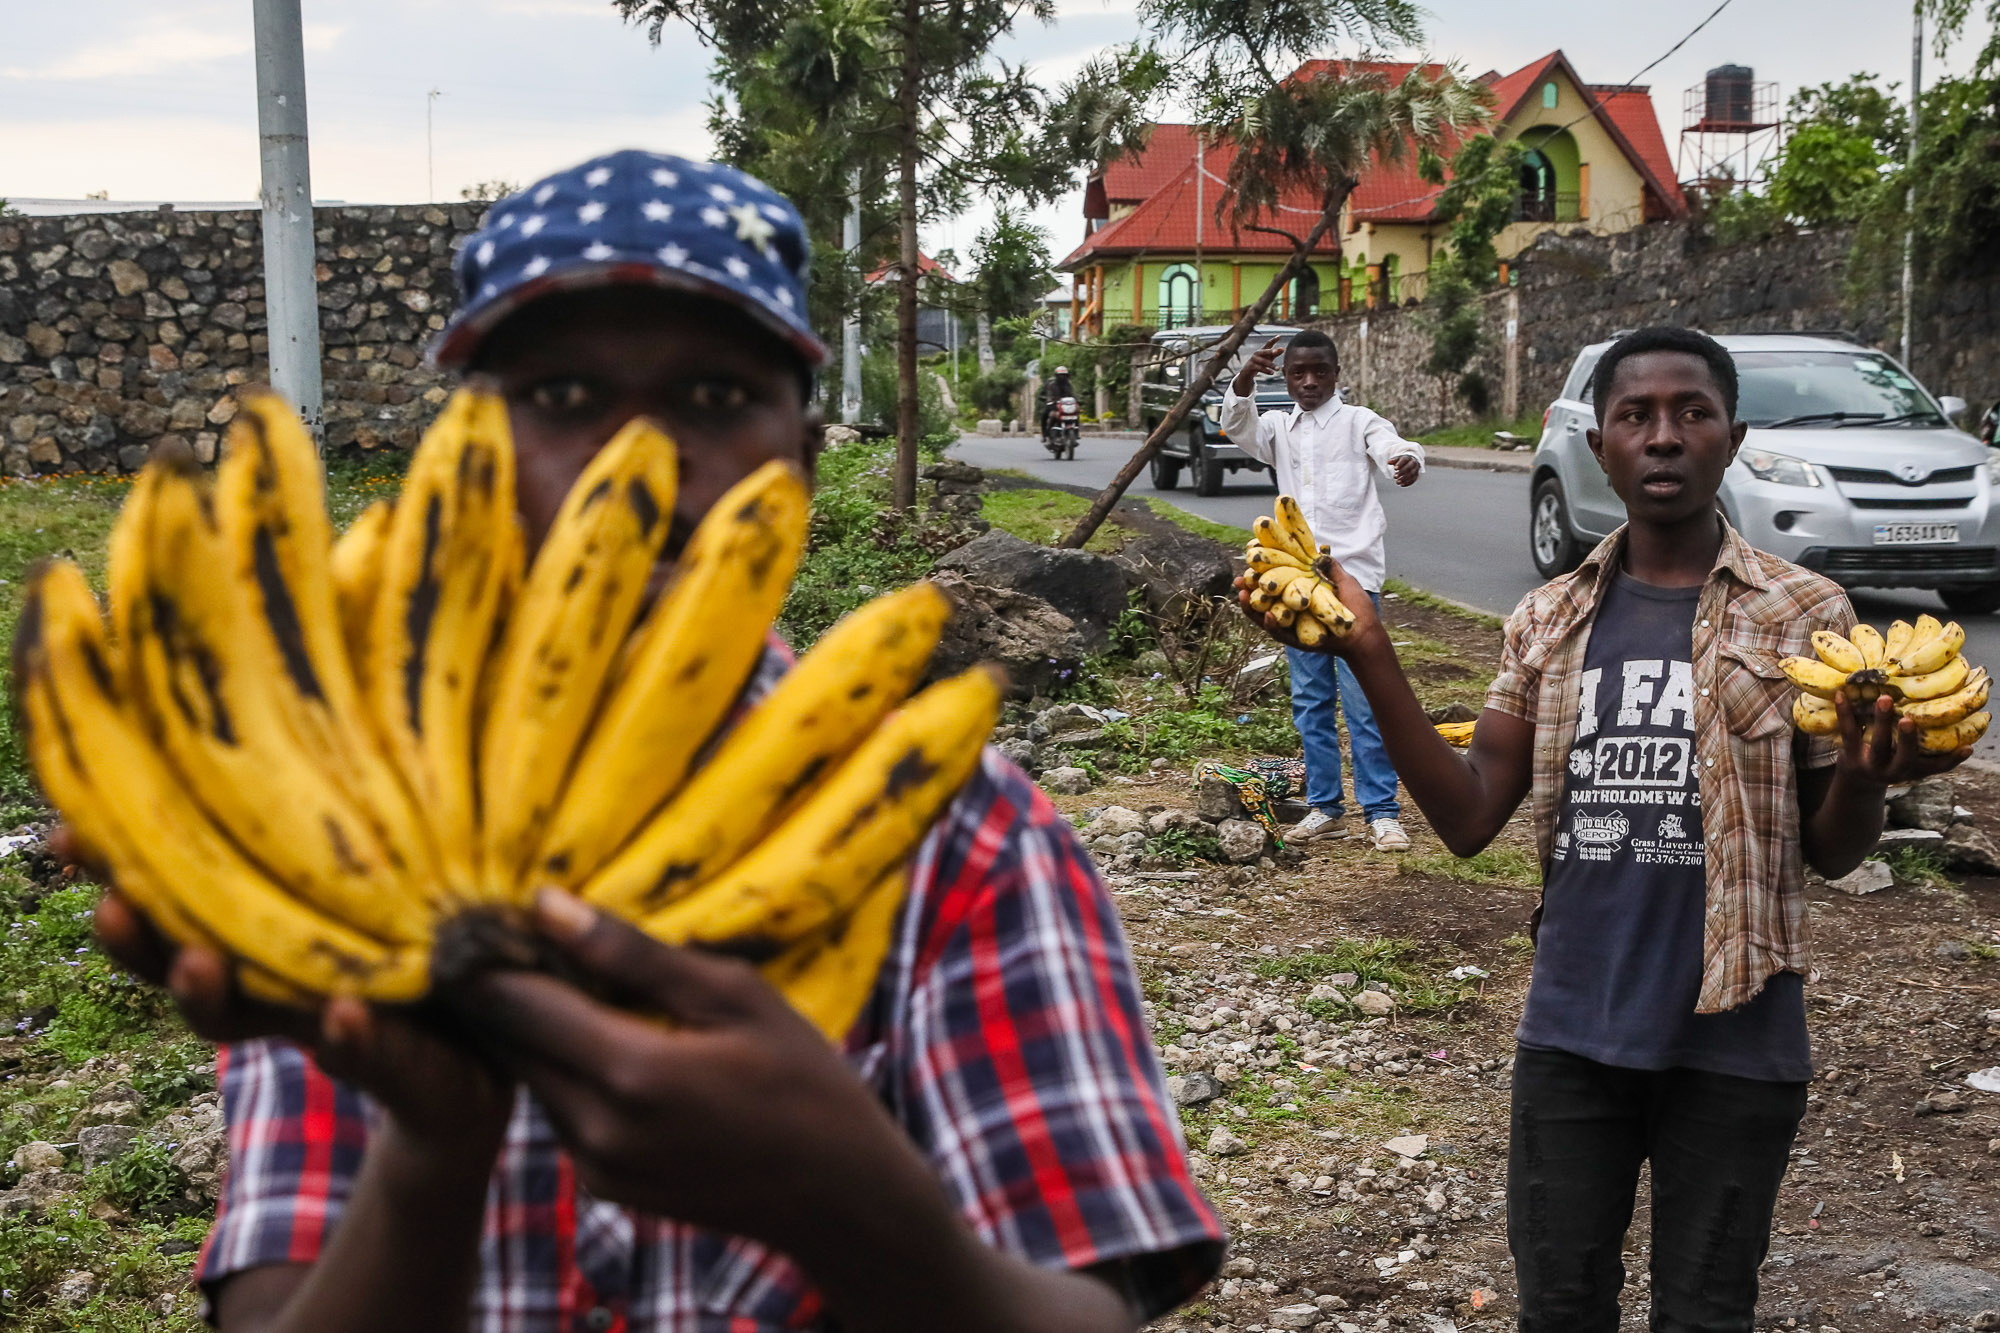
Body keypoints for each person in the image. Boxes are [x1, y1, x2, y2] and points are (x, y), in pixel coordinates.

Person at [82, 150, 1223, 1333]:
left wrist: (849, 1201)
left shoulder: (955, 834)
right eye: (563, 397)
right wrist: (433, 1147)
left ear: (802, 451)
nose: (636, 460)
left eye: (714, 397)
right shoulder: (340, 822)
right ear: (463, 454)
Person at [1238, 325, 1970, 1328]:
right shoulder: (1545, 619)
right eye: (1635, 416)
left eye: (1690, 413)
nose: (1662, 436)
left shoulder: (1807, 612)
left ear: (1731, 436)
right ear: (1599, 445)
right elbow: (1462, 818)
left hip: (1737, 1038)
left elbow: (1833, 850)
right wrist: (1368, 650)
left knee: (1704, 1311)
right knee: (1561, 1304)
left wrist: (1862, 774)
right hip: (1573, 1035)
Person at [1220, 330, 1423, 851]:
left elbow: (1391, 446)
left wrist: (1407, 460)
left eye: (1319, 372)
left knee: (1364, 699)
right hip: (1296, 580)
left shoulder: (1359, 422)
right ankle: (1325, 807)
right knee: (1311, 697)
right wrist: (1244, 376)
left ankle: (1381, 811)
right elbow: (1235, 424)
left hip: (1353, 579)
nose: (1309, 382)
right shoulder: (1277, 428)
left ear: (1337, 374)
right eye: (1297, 373)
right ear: (1284, 377)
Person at [1043, 364, 1076, 439]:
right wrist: (1050, 401)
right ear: (1057, 376)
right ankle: (1046, 433)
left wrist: (1077, 401)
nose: (1062, 377)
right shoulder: (1052, 384)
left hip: (1066, 406)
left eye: (1064, 375)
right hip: (1054, 405)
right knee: (1046, 415)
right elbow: (1049, 394)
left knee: (1076, 415)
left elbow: (1072, 395)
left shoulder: (1069, 385)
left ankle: (1076, 432)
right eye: (1060, 375)